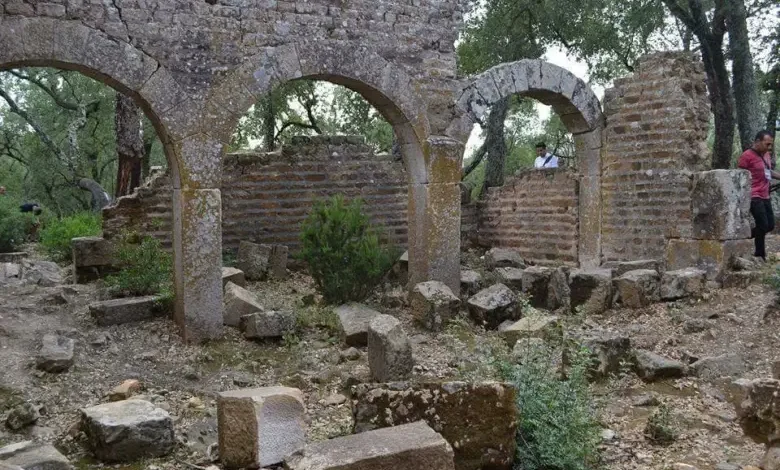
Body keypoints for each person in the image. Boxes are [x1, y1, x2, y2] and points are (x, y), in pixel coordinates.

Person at [738, 130, 777, 261]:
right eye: (767, 144)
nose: (769, 147)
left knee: (770, 225)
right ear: (757, 142)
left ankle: (744, 235)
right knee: (763, 224)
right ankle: (760, 254)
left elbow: (768, 171)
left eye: (771, 144)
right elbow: (740, 175)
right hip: (754, 195)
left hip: (765, 194)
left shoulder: (766, 155)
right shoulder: (746, 156)